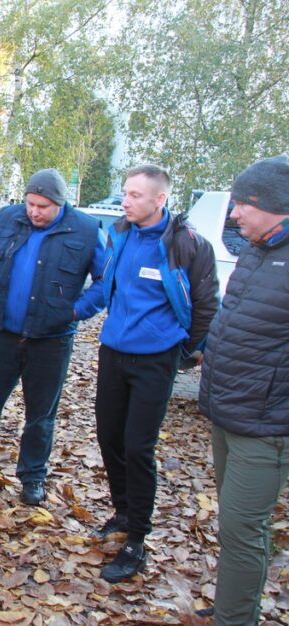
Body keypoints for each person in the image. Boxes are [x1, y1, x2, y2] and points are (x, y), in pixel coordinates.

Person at [0, 169, 105, 505]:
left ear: (61, 204)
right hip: (2, 332)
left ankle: (32, 478)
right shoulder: (9, 217)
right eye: (30, 203)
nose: (34, 211)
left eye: (43, 206)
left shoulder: (87, 230)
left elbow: (105, 281)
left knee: (40, 416)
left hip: (51, 339)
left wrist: (75, 311)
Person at [93, 164, 218, 583]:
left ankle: (137, 541)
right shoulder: (121, 233)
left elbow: (205, 301)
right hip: (114, 352)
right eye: (125, 193)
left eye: (134, 195)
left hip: (155, 359)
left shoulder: (185, 243)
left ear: (159, 199)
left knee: (137, 446)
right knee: (109, 437)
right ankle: (123, 511)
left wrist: (186, 348)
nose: (125, 201)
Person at [190, 156, 289, 626]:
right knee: (238, 528)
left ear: (273, 207)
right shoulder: (256, 252)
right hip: (230, 409)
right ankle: (238, 615)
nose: (233, 216)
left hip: (267, 423)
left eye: (242, 205)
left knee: (242, 528)